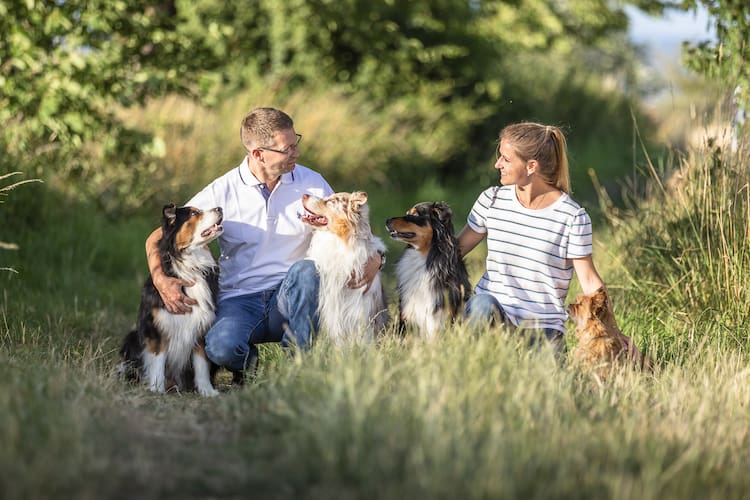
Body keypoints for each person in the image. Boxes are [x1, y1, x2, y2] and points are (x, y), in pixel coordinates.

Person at [145, 107, 381, 382]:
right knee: (221, 348)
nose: (296, 153)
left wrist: (376, 259)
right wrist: (160, 279)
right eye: (287, 149)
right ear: (258, 154)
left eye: (296, 143)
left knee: (307, 271)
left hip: (293, 296)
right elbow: (158, 236)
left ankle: (300, 368)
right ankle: (251, 366)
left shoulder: (311, 183)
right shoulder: (224, 189)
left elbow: (354, 229)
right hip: (240, 298)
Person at [457, 122, 608, 355]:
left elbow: (590, 283)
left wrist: (614, 334)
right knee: (481, 304)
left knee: (548, 388)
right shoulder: (491, 200)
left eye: (506, 159)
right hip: (494, 316)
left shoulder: (572, 216)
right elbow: (452, 253)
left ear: (531, 166)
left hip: (543, 329)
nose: (498, 164)